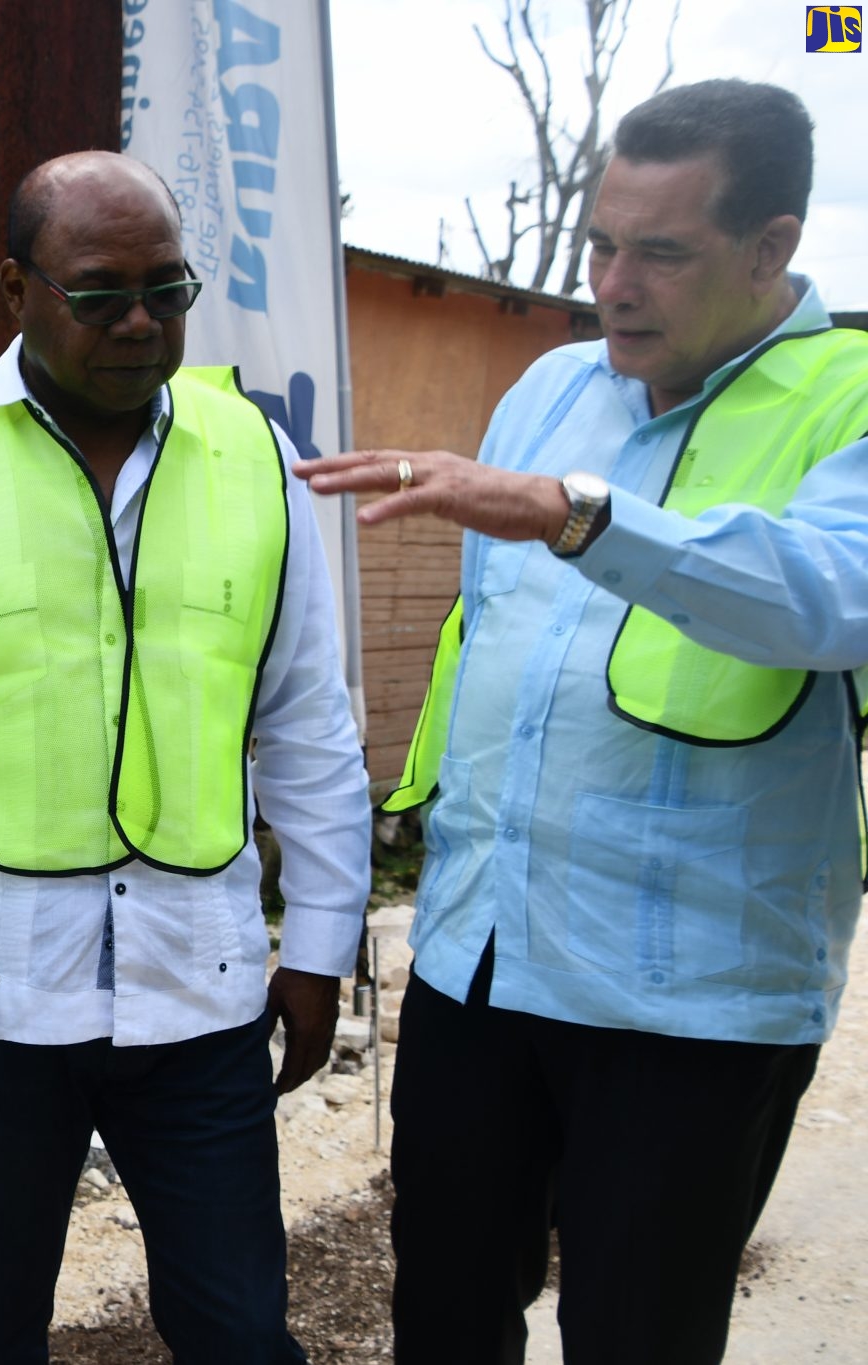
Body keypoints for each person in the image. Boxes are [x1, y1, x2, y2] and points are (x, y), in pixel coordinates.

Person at [296, 80, 868, 1364]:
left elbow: (833, 598)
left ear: (770, 246)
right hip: (482, 960)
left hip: (693, 997)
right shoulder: (552, 385)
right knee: (441, 1313)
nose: (611, 281)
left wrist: (581, 517)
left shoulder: (849, 394)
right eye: (600, 243)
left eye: (658, 253)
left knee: (636, 1336)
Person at [0, 150, 372, 1363]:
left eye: (168, 289)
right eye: (100, 295)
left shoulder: (250, 455)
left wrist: (317, 946)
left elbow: (306, 720)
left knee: (241, 1328)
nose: (141, 323)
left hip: (196, 988)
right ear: (13, 289)